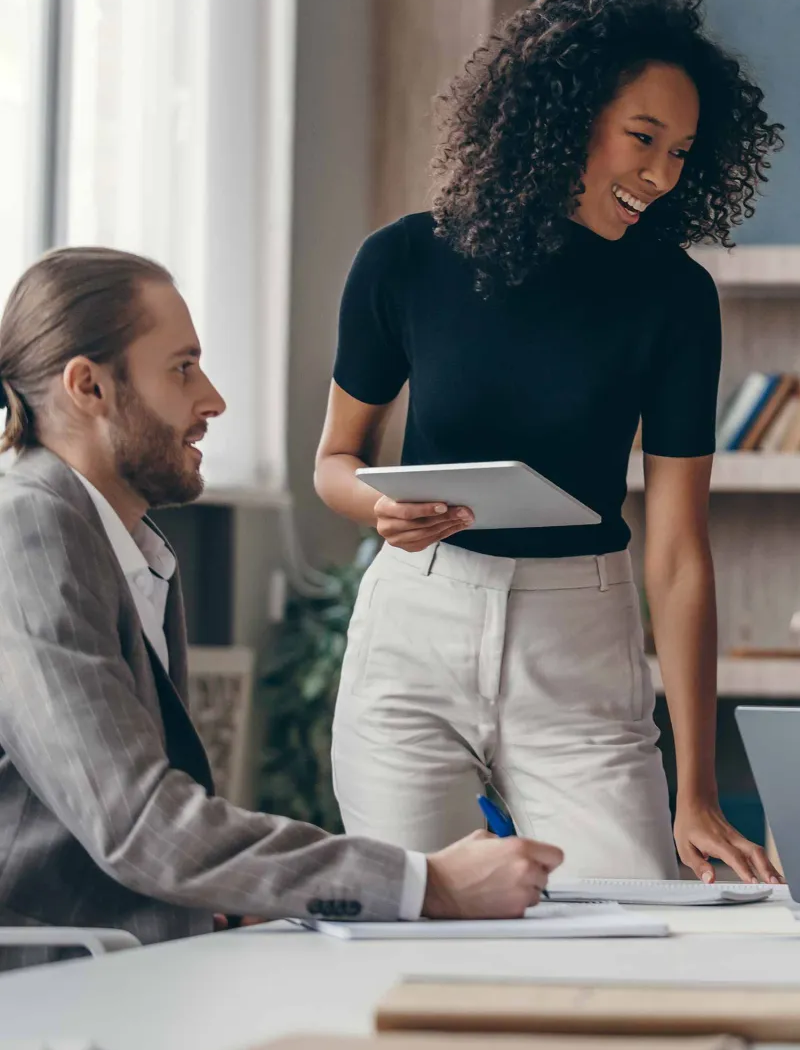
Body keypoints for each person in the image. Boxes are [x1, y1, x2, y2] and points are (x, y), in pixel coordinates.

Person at [314, 0, 783, 883]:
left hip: (580, 643)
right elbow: (338, 460)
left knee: (633, 918)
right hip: (415, 629)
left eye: (683, 152)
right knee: (418, 924)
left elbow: (680, 551)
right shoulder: (404, 260)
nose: (661, 176)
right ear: (561, 113)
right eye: (642, 139)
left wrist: (698, 791)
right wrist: (376, 511)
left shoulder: (675, 297)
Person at [0, 248, 562, 970]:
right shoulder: (30, 533)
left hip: (128, 953)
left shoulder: (120, 542)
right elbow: (139, 823)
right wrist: (430, 883)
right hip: (48, 980)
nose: (213, 399)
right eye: (181, 368)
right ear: (89, 387)